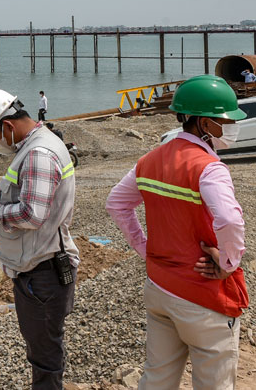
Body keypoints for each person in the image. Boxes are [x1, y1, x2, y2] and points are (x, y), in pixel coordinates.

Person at [106, 75, 249, 388]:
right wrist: (228, 263)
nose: (229, 124)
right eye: (223, 118)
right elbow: (229, 219)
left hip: (159, 288)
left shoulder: (149, 160)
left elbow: (116, 204)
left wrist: (147, 249)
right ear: (202, 123)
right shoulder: (209, 168)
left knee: (157, 377)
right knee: (214, 382)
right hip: (202, 295)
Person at [0, 89, 78, 390]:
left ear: (7, 126)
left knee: (45, 358)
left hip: (43, 271)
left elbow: (31, 215)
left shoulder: (38, 153)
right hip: (38, 266)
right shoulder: (33, 146)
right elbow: (23, 193)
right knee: (42, 351)